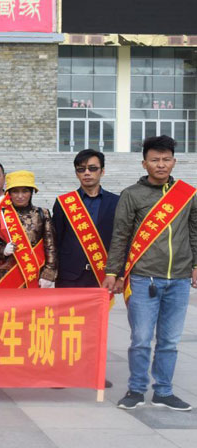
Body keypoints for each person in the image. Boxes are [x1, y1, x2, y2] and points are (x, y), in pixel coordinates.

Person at [102, 135, 197, 412]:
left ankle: (164, 391)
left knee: (169, 341)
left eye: (166, 159)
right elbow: (121, 235)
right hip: (144, 278)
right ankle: (136, 389)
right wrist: (113, 271)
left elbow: (194, 233)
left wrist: (195, 266)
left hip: (179, 279)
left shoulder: (187, 194)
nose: (161, 164)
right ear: (144, 163)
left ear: (174, 161)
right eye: (155, 160)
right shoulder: (132, 195)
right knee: (141, 339)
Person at [52, 150, 119, 288]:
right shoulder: (64, 202)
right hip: (69, 276)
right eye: (81, 169)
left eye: (92, 168)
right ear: (76, 173)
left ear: (102, 171)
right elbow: (56, 239)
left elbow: (121, 240)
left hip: (102, 274)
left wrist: (120, 274)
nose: (87, 173)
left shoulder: (116, 202)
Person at [0, 170, 57, 288]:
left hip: (35, 271)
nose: (20, 196)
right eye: (15, 191)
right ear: (9, 193)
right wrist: (3, 250)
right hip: (7, 273)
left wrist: (48, 273)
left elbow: (50, 245)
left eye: (25, 191)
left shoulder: (42, 213)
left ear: (31, 192)